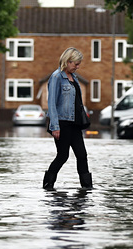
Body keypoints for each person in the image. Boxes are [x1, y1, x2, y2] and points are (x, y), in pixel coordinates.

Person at [43, 47, 92, 190]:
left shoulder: (74, 78)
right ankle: (48, 185)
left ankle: (87, 187)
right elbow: (51, 103)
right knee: (63, 155)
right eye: (76, 64)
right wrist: (55, 126)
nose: (78, 67)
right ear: (68, 61)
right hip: (62, 123)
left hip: (75, 123)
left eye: (78, 64)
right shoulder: (57, 77)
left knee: (82, 155)